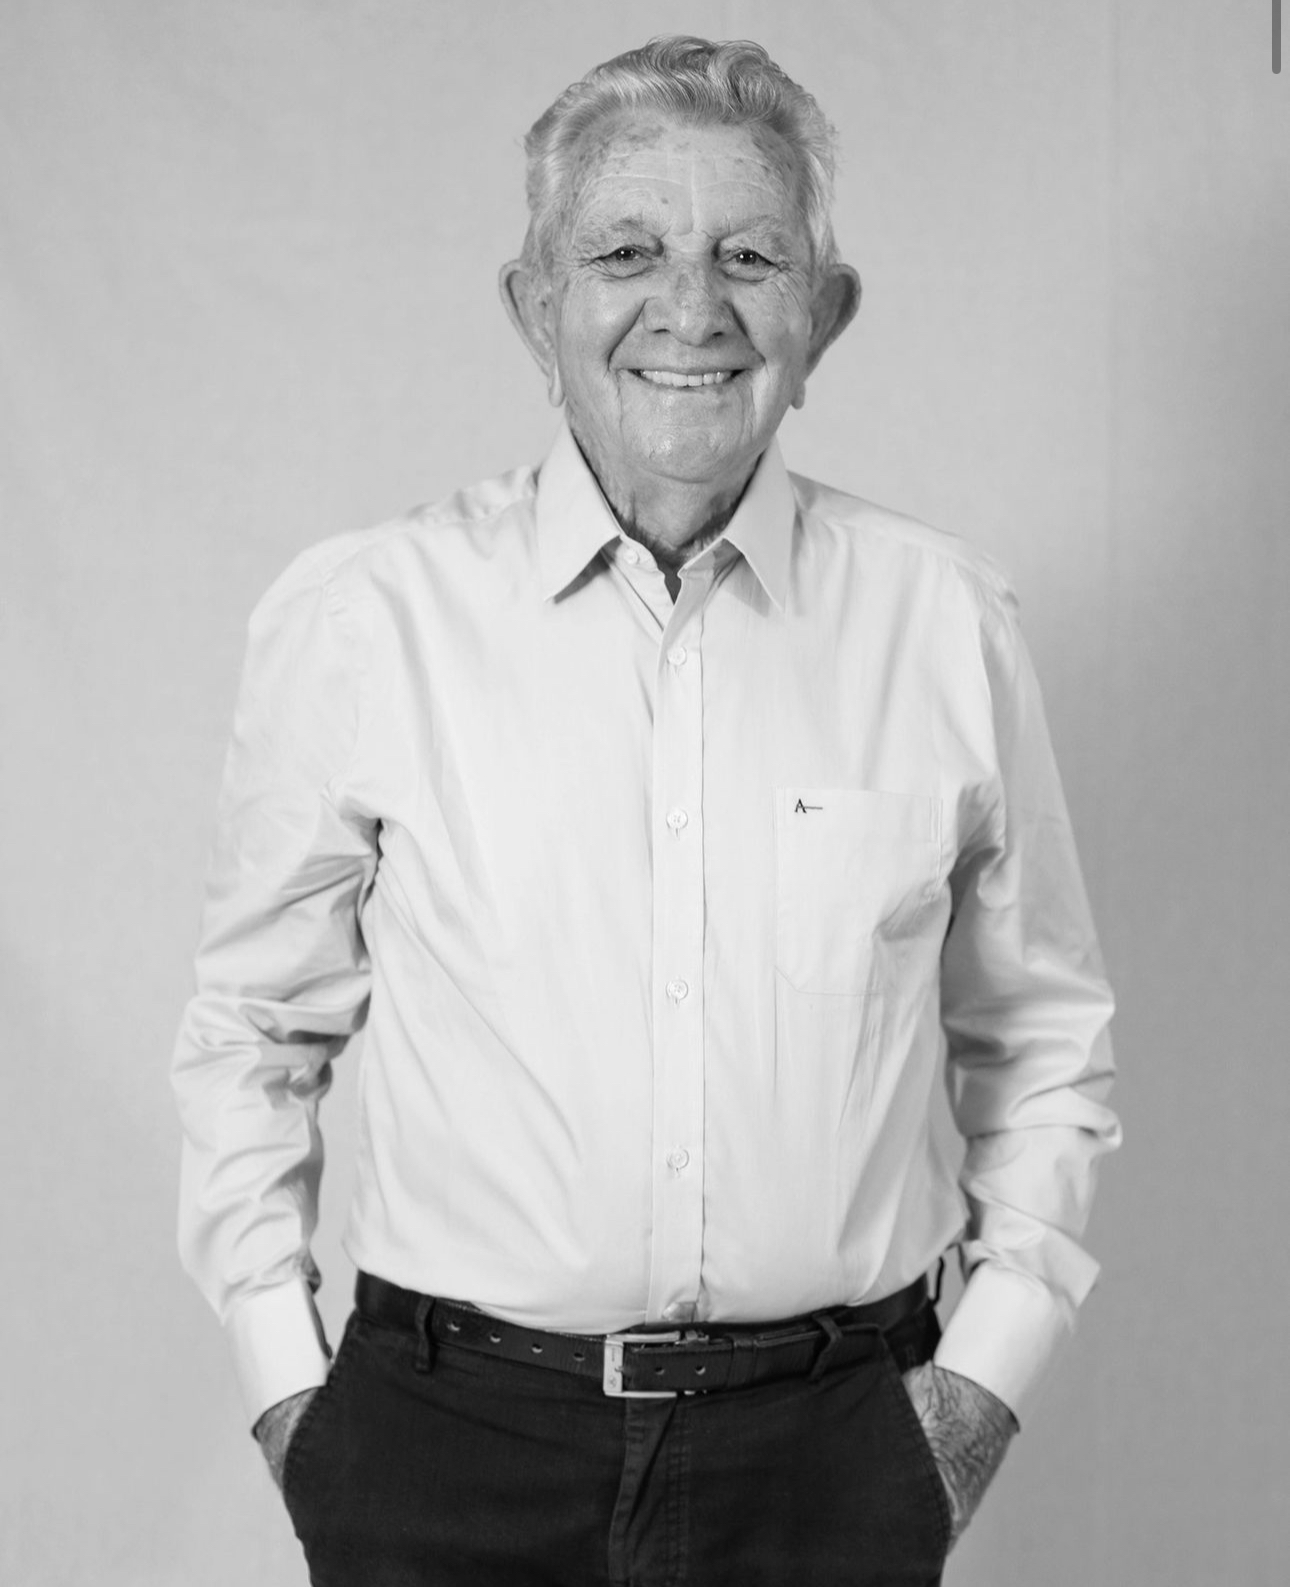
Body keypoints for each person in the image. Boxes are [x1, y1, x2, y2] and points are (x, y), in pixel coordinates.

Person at [172, 35, 1119, 1587]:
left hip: (832, 1455)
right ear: (532, 308)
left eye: (749, 256)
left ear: (823, 315)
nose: (691, 309)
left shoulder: (946, 624)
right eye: (624, 253)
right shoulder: (364, 619)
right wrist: (293, 1398)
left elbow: (1041, 1043)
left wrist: (974, 1397)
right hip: (442, 1451)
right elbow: (250, 1036)